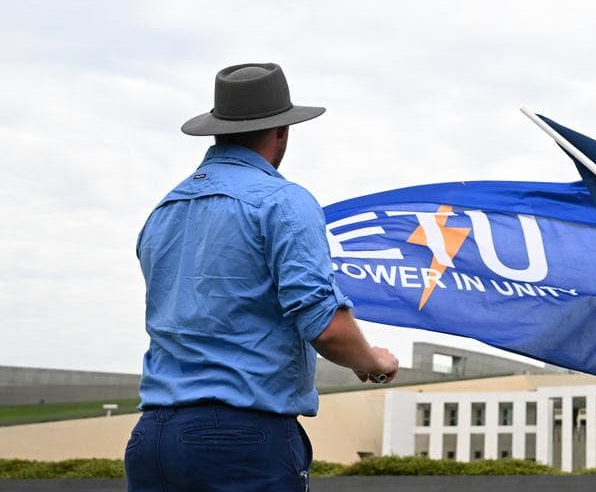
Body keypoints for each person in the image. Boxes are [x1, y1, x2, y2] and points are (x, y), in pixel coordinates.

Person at [125, 62, 399, 491]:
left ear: (217, 129)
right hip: (240, 441)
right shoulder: (283, 201)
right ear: (282, 131)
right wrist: (375, 363)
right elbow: (326, 328)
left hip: (152, 439)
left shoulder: (163, 211)